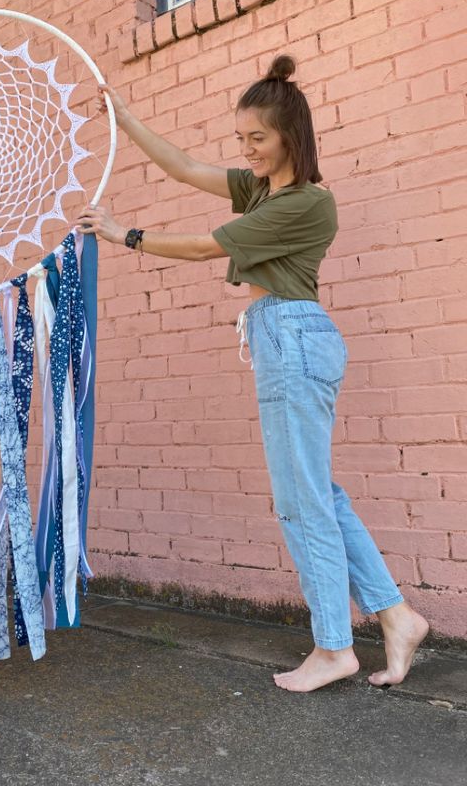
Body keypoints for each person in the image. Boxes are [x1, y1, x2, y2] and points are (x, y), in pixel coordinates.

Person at [77, 55, 429, 693]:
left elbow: (210, 244)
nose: (247, 151)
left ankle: (334, 647)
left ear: (290, 135)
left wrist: (123, 234)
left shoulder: (304, 203)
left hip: (293, 337)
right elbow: (185, 167)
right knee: (318, 494)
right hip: (285, 337)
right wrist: (123, 119)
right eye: (241, 139)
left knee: (301, 503)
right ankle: (397, 615)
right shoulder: (264, 188)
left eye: (257, 139)